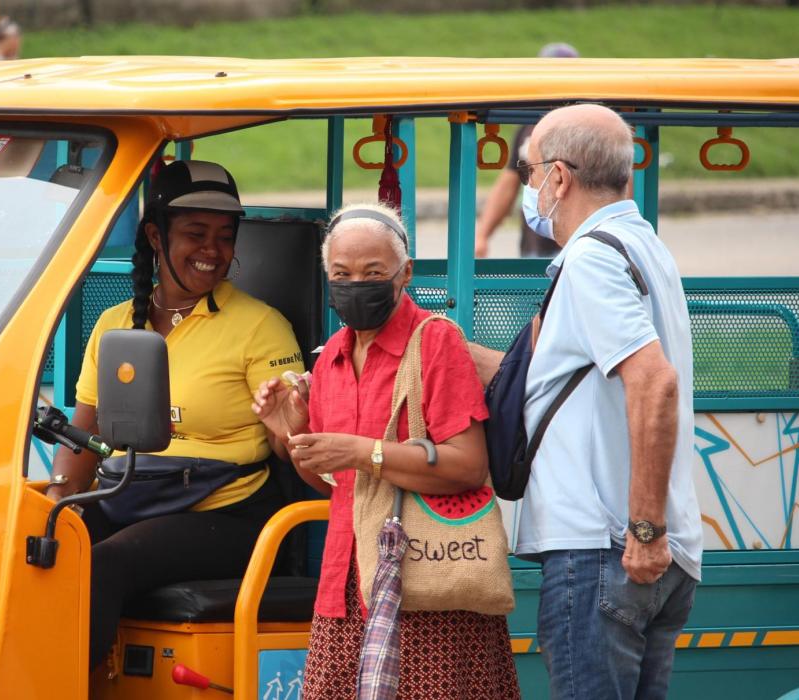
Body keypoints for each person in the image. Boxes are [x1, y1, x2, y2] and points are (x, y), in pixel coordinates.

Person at [469, 104, 701, 699]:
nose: (526, 186)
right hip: (648, 554)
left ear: (560, 178)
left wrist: (643, 529)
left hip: (601, 548)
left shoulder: (593, 258)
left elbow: (654, 382)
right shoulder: (639, 243)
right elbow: (551, 379)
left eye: (528, 171)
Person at [253, 203, 520, 699]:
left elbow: (467, 464)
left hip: (426, 589)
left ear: (405, 274)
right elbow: (337, 486)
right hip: (346, 587)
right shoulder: (330, 357)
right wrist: (289, 436)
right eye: (342, 274)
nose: (357, 284)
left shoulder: (435, 342)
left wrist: (362, 451)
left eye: (373, 273)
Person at [47, 160, 304, 670]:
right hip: (128, 497)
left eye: (224, 237)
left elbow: (292, 439)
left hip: (225, 514)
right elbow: (82, 436)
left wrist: (289, 423)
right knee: (31, 551)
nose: (212, 251)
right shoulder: (114, 325)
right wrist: (54, 506)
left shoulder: (260, 327)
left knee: (103, 564)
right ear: (155, 237)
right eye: (195, 233)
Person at [474, 42, 579, 258]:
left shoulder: (587, 125)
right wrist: (482, 235)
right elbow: (510, 181)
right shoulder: (529, 124)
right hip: (534, 249)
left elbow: (617, 183)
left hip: (578, 247)